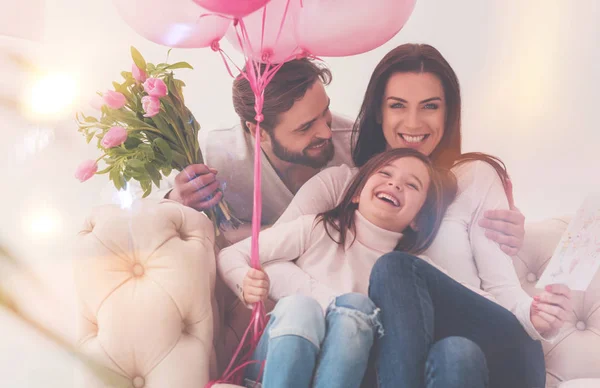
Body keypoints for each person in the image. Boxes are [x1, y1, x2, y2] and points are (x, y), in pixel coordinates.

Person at [265, 44, 572, 388]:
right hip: (433, 363)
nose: (413, 122)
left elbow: (501, 286)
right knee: (453, 353)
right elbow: (261, 256)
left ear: (448, 114)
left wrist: (535, 316)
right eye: (398, 105)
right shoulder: (347, 184)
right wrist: (331, 300)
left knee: (395, 267)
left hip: (501, 354)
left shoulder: (475, 175)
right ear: (379, 112)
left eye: (430, 107)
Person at [154, 57, 525, 252]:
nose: (325, 131)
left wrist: (503, 228)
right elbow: (152, 222)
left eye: (324, 112)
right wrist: (175, 200)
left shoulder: (360, 148)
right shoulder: (217, 156)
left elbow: (426, 198)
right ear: (258, 131)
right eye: (305, 128)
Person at [217, 148, 457, 388]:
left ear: (418, 219)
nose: (394, 184)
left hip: (346, 372)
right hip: (273, 367)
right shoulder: (317, 228)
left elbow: (471, 300)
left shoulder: (411, 272)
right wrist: (244, 282)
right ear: (356, 193)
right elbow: (232, 254)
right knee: (300, 306)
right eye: (385, 173)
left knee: (357, 307)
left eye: (412, 185)